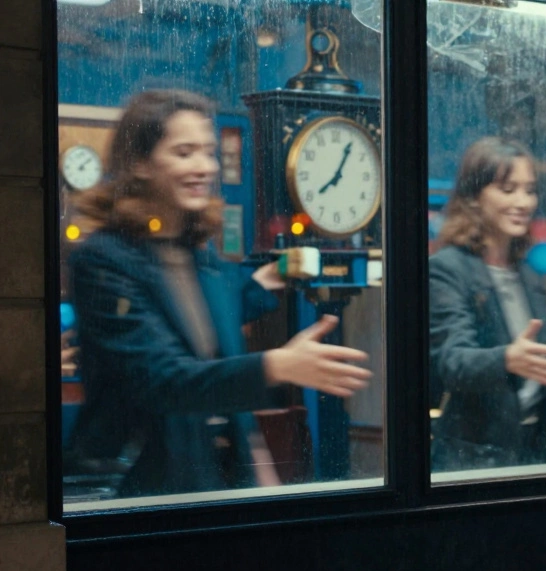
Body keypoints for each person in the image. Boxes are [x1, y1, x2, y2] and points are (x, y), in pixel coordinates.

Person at [68, 90, 372, 497]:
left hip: (209, 486)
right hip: (138, 495)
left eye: (209, 152)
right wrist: (276, 364)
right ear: (139, 163)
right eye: (184, 152)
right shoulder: (102, 260)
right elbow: (162, 381)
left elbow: (228, 396)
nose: (203, 167)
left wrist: (260, 476)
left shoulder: (201, 259)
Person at [429, 137, 546, 471]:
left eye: (530, 190)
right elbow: (451, 362)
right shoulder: (448, 268)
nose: (524, 202)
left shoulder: (527, 273)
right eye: (508, 189)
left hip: (535, 454)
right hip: (475, 463)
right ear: (475, 196)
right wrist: (507, 358)